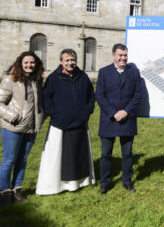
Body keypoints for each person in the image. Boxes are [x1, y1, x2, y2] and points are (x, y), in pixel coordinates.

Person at [36, 49, 96, 195]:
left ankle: (79, 182)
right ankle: (56, 186)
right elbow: (46, 99)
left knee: (78, 155)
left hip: (80, 123)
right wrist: (56, 115)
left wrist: (86, 112)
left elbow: (90, 96)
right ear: (61, 61)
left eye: (73, 60)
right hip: (60, 124)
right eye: (67, 60)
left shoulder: (83, 77)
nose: (70, 63)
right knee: (57, 158)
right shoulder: (53, 78)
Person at [96, 44, 141, 194]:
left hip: (127, 119)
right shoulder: (104, 72)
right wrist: (113, 113)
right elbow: (100, 96)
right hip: (109, 119)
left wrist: (126, 111)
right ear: (113, 56)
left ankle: (127, 181)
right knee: (105, 154)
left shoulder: (134, 73)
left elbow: (137, 95)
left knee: (127, 154)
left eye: (125, 55)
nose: (123, 58)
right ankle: (105, 183)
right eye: (120, 55)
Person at [0, 52, 45, 205]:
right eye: (26, 62)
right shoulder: (10, 79)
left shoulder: (36, 79)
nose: (29, 65)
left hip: (30, 128)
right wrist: (12, 116)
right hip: (13, 127)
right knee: (9, 160)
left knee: (23, 160)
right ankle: (4, 193)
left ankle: (16, 190)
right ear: (20, 63)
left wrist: (40, 117)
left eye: (32, 62)